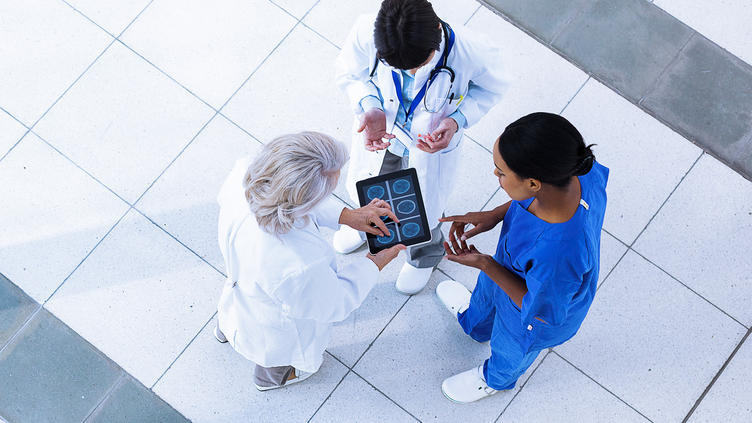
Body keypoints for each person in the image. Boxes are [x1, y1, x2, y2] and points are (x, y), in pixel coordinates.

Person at [334, 0, 507, 295]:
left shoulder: (471, 50)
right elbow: (351, 74)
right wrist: (370, 105)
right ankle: (365, 225)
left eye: (420, 65)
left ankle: (424, 255)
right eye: (399, 67)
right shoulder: (367, 31)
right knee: (371, 185)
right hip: (383, 131)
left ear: (437, 31)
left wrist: (456, 121)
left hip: (430, 146)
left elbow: (492, 89)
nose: (412, 72)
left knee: (423, 207)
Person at [435, 112, 608, 403]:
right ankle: (475, 325)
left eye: (501, 172)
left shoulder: (560, 253)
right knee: (486, 297)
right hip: (511, 267)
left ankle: (495, 380)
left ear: (532, 183)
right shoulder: (574, 170)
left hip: (529, 310)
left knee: (510, 346)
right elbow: (531, 198)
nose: (496, 175)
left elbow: (539, 308)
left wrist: (485, 263)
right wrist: (494, 215)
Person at [214, 132, 405, 391]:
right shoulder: (297, 264)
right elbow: (336, 303)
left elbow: (288, 200)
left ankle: (223, 330)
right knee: (274, 360)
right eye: (324, 195)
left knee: (233, 316)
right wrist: (374, 261)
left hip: (241, 287)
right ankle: (271, 380)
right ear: (306, 199)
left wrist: (347, 216)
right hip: (271, 330)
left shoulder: (246, 172)